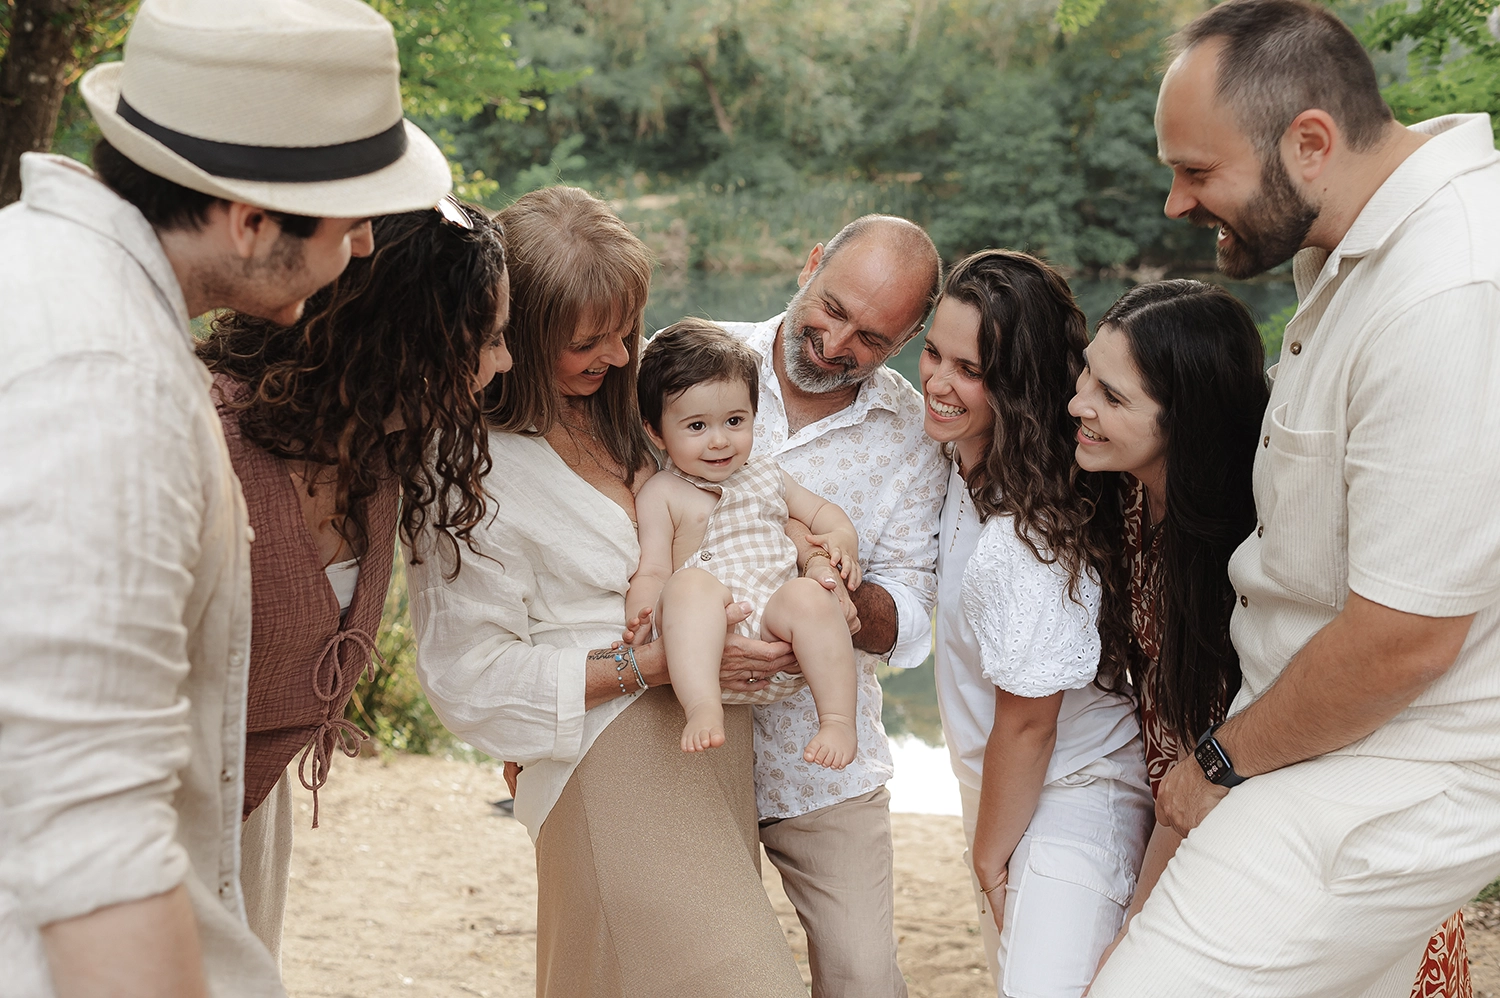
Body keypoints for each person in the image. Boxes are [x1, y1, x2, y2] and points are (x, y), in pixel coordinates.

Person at [0, 0, 452, 993]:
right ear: (250, 222)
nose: (368, 244)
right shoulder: (104, 380)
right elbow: (90, 827)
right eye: (354, 214)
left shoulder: (46, 278)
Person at [1089, 1, 1500, 994]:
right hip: (1317, 743)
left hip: (1386, 772)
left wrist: (1217, 765)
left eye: (1197, 170)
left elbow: (1406, 635)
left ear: (1310, 142)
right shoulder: (1354, 247)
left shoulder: (1450, 292)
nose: (1177, 206)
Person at [406, 186, 806, 998]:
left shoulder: (648, 401)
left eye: (628, 328)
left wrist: (811, 549)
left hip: (714, 752)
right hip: (602, 752)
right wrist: (651, 665)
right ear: (517, 333)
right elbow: (469, 678)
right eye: (591, 341)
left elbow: (750, 502)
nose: (623, 355)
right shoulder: (465, 468)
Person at [1073, 280, 1469, 996]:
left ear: (1182, 420)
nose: (1079, 402)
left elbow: (1220, 768)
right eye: (1085, 372)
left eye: (1111, 395)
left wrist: (1137, 924)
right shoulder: (1126, 495)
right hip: (1182, 825)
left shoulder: (1247, 568)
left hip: (1269, 859)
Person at [196, 199, 510, 967]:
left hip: (253, 816)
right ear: (409, 337)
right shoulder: (202, 434)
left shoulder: (379, 453)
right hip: (141, 800)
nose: (503, 363)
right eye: (490, 338)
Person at [716, 213, 949, 998]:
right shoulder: (687, 357)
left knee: (864, 978)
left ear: (910, 337)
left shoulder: (914, 435)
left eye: (872, 338)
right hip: (676, 731)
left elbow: (913, 613)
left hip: (820, 763)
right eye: (834, 309)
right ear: (811, 261)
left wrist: (856, 607)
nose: (838, 344)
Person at [923, 250, 1151, 997]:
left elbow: (1030, 724)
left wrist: (988, 854)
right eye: (932, 352)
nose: (937, 381)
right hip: (1004, 792)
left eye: (970, 369)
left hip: (1071, 796)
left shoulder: (1026, 535)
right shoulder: (961, 462)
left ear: (1017, 387)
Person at [627, 318, 861, 763]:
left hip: (780, 639)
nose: (719, 441)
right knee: (689, 584)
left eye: (735, 421)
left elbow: (823, 513)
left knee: (810, 596)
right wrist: (640, 621)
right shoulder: (662, 492)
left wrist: (840, 539)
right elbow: (653, 569)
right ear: (656, 431)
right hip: (706, 650)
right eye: (696, 426)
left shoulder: (767, 474)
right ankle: (702, 709)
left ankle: (837, 722)